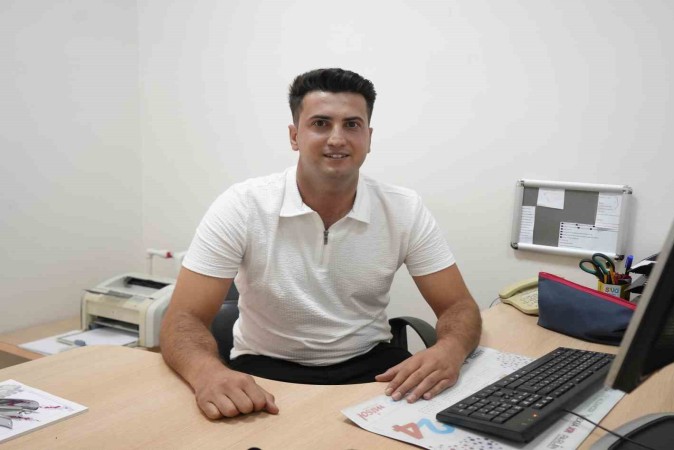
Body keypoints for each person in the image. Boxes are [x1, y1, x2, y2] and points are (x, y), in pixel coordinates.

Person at [160, 68, 482, 420]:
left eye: (352, 125)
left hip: (371, 366)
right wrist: (207, 372)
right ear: (295, 136)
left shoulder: (404, 209)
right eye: (321, 124)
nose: (337, 139)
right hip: (264, 369)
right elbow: (183, 319)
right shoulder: (243, 206)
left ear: (369, 137)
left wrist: (450, 349)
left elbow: (458, 306)